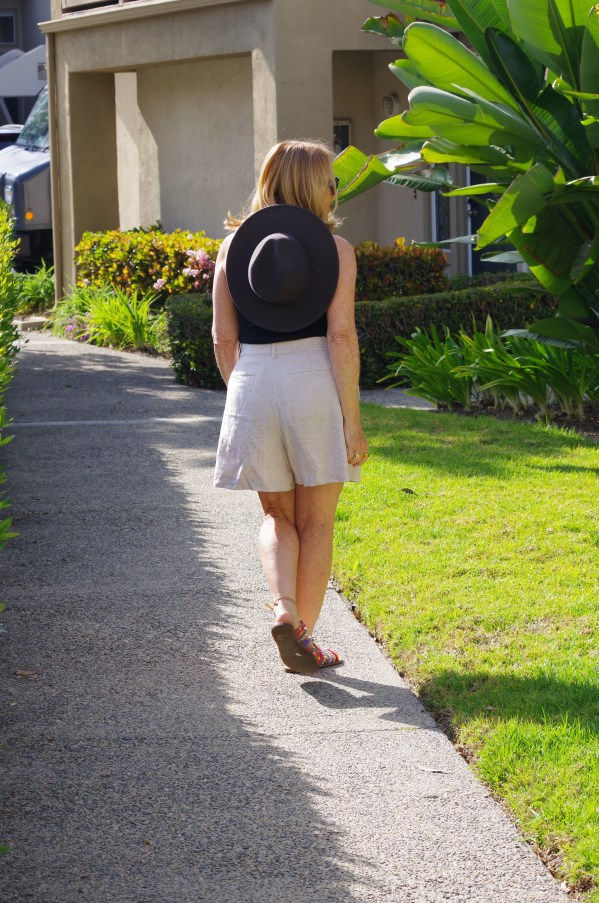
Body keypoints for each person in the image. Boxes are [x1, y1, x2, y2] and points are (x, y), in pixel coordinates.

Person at [212, 139, 369, 675]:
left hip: (252, 378)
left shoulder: (232, 249)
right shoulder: (337, 251)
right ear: (312, 187)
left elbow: (223, 340)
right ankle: (304, 637)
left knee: (277, 515)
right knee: (317, 520)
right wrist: (352, 422)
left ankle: (283, 608)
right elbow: (341, 337)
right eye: (330, 181)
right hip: (313, 381)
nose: (335, 191)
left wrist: (245, 395)